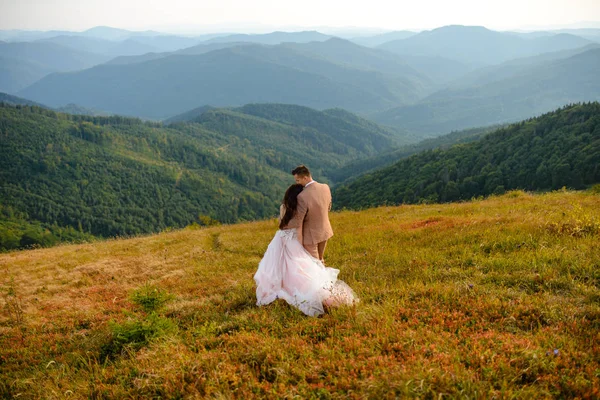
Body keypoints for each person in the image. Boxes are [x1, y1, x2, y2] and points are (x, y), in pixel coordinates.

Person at [254, 183, 357, 317]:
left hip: (280, 239)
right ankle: (315, 294)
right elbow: (299, 228)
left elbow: (283, 224)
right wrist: (302, 244)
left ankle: (282, 286)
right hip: (294, 240)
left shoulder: (284, 207)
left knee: (279, 265)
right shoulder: (300, 208)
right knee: (298, 266)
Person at [291, 165, 333, 262]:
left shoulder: (302, 196)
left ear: (305, 178)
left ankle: (323, 277)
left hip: (310, 235)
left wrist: (298, 242)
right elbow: (328, 207)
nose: (296, 183)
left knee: (314, 264)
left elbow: (299, 221)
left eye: (297, 180)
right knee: (320, 260)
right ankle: (324, 275)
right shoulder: (325, 187)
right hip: (325, 231)